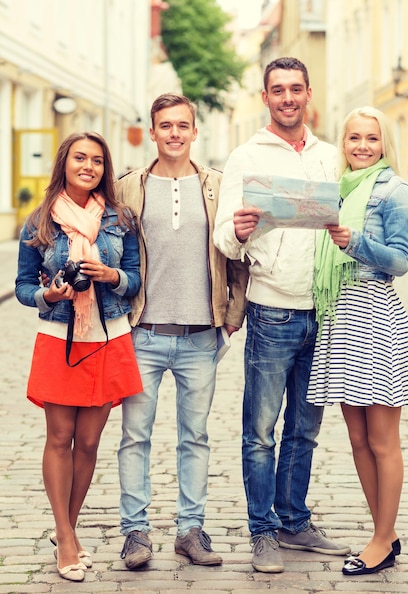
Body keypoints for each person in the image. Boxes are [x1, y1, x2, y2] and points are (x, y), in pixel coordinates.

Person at [213, 57, 351, 573]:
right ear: (265, 97)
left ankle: (294, 522)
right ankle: (263, 530)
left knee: (305, 429)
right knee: (261, 430)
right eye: (278, 90)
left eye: (296, 89)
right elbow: (223, 237)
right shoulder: (246, 156)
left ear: (308, 93)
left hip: (327, 310)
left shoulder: (332, 157)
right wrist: (242, 230)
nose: (288, 98)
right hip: (273, 309)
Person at [115, 93, 249, 569]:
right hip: (142, 333)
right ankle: (136, 534)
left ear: (195, 132)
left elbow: (237, 251)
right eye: (165, 126)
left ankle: (190, 530)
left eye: (182, 126)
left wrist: (233, 316)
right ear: (152, 132)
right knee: (135, 436)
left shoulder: (216, 186)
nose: (174, 133)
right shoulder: (129, 187)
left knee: (195, 436)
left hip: (200, 336)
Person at [15, 132, 143, 583]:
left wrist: (110, 275)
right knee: (60, 437)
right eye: (79, 158)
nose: (88, 166)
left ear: (104, 168)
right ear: (64, 164)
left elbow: (134, 279)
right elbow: (22, 287)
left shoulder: (120, 219)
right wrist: (48, 294)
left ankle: (64, 528)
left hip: (107, 335)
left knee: (88, 443)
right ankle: (67, 538)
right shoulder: (39, 221)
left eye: (96, 160)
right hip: (58, 337)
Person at [307, 106, 408, 576]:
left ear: (383, 143)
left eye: (372, 139)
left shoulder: (396, 191)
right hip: (340, 318)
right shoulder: (336, 190)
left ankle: (379, 538)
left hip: (375, 315)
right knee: (356, 438)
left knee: (381, 438)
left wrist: (356, 244)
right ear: (343, 142)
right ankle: (384, 533)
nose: (362, 146)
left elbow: (402, 261)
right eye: (354, 138)